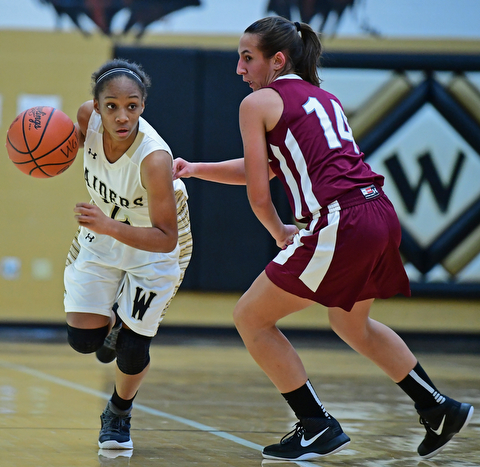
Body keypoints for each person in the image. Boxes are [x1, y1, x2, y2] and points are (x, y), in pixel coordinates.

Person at [173, 16, 473, 462]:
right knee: (352, 324)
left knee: (251, 318)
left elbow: (260, 194)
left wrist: (279, 232)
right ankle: (436, 406)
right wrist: (197, 169)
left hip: (341, 221)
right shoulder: (323, 97)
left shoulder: (258, 104)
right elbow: (274, 167)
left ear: (277, 60)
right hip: (378, 212)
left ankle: (316, 425)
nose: (239, 68)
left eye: (247, 57)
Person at [64, 58, 192, 451]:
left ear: (143, 105)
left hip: (155, 243)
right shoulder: (87, 118)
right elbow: (58, 149)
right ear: (97, 105)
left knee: (134, 350)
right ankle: (115, 323)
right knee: (84, 342)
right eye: (112, 106)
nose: (122, 116)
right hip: (106, 231)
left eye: (132, 106)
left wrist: (106, 225)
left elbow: (165, 237)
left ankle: (119, 412)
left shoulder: (155, 158)